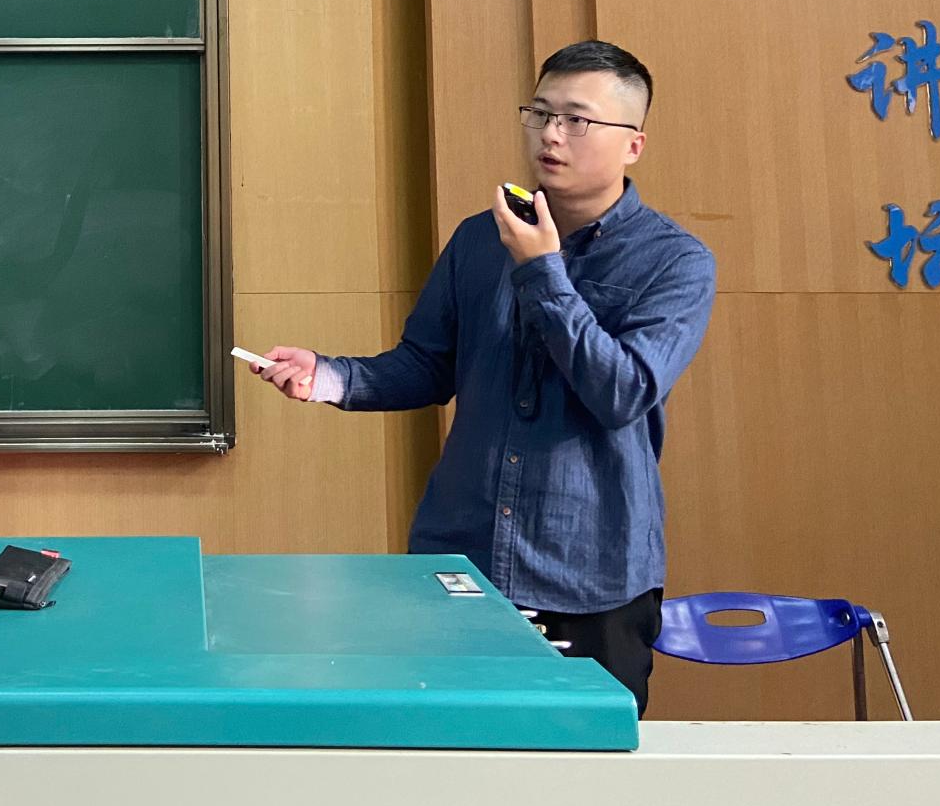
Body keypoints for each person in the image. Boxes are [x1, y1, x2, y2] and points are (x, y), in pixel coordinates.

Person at [256, 41, 716, 714]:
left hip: (588, 571)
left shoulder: (675, 262)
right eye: (540, 113)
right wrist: (330, 377)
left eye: (577, 120)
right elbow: (427, 365)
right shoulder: (480, 238)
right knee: (449, 753)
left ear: (633, 145)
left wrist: (541, 269)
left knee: (581, 762)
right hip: (459, 558)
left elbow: (621, 393)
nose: (550, 134)